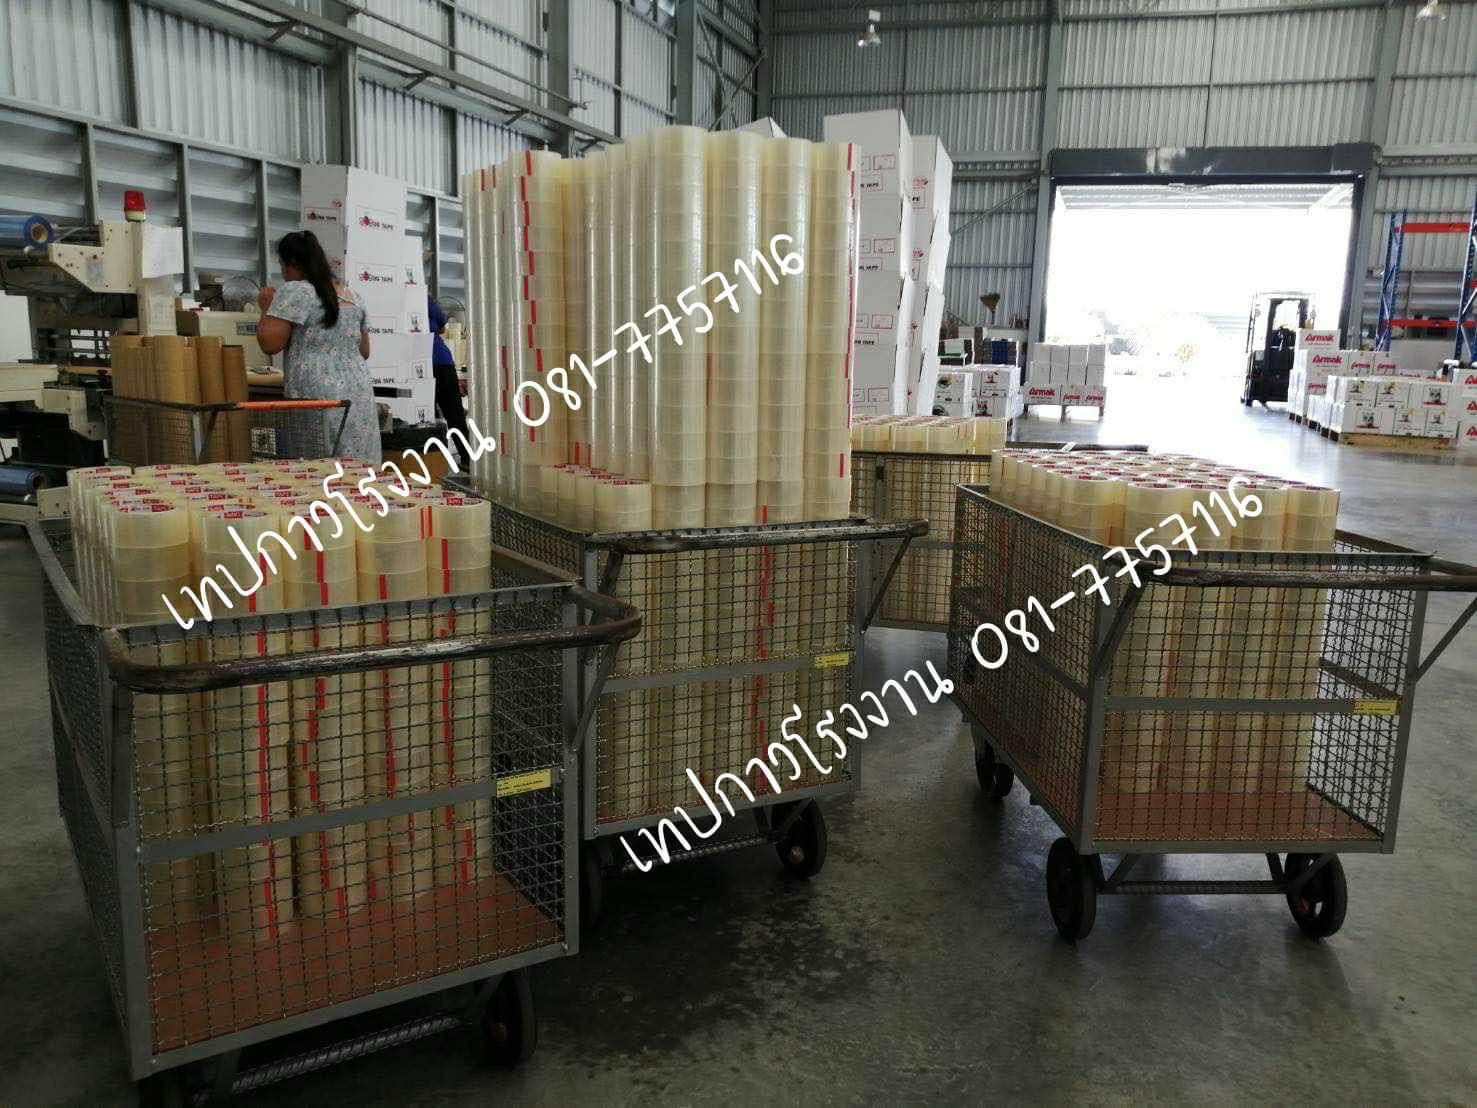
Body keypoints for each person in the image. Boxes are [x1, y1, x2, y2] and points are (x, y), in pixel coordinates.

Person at [255, 231, 380, 462]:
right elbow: (364, 351)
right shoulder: (352, 295)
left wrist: (265, 308)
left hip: (316, 393)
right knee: (357, 462)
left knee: (317, 464)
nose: (283, 272)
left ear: (292, 263)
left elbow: (270, 344)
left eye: (282, 265)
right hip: (358, 393)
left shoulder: (295, 291)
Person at [428, 296, 470, 467]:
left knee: (427, 418)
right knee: (454, 414)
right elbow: (442, 329)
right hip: (441, 362)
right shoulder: (427, 302)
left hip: (424, 363)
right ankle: (467, 459)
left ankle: (433, 463)